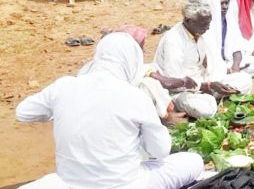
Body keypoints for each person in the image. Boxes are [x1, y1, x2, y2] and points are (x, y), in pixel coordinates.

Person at [16, 33, 203, 189]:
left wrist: (62, 108)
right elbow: (160, 151)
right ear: (132, 62)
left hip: (71, 184)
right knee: (193, 161)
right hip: (128, 184)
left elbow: (23, 112)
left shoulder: (64, 86)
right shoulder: (134, 95)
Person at [153, 0, 252, 119]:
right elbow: (174, 82)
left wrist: (213, 81)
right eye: (204, 24)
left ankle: (214, 100)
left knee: (245, 80)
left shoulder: (199, 32)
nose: (208, 27)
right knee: (205, 109)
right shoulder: (173, 41)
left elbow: (209, 66)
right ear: (188, 20)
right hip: (182, 92)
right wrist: (207, 86)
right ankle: (213, 103)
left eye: (209, 23)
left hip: (205, 83)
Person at [202, 0, 254, 77]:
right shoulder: (204, 25)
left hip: (228, 62)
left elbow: (237, 47)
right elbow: (206, 59)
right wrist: (223, 69)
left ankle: (232, 74)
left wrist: (236, 66)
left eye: (226, 3)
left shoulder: (228, 20)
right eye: (221, 4)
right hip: (213, 66)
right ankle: (229, 76)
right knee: (211, 73)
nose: (225, 7)